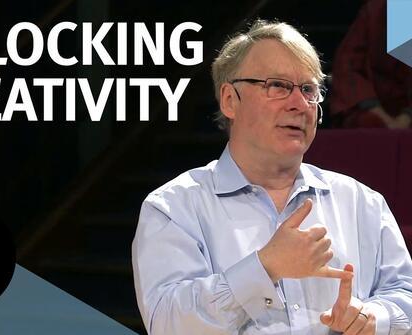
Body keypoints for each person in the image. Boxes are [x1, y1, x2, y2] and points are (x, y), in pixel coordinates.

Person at [132, 19, 412, 334]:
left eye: (308, 90)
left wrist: (373, 317)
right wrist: (265, 268)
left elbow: (405, 295)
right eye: (277, 86)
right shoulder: (174, 207)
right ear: (229, 100)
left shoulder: (363, 202)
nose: (299, 104)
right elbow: (169, 322)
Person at [330, 0, 412, 129]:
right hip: (371, 105)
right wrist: (376, 110)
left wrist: (407, 116)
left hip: (406, 106)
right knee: (369, 122)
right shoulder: (375, 11)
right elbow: (348, 67)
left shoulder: (403, 10)